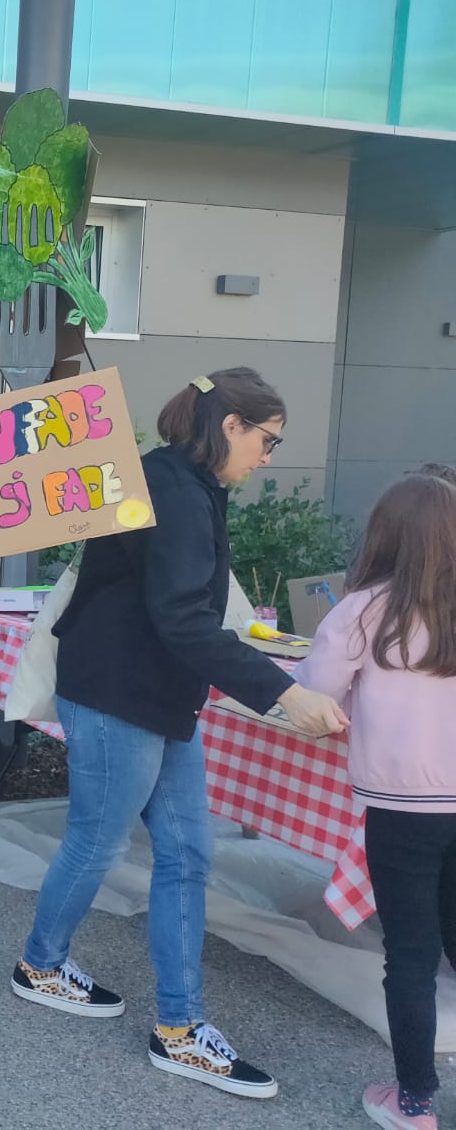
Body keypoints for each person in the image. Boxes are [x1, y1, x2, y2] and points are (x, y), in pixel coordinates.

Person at [10, 367, 348, 1098]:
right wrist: (283, 694)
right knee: (99, 840)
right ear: (230, 425)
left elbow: (178, 615)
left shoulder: (177, 482)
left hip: (158, 696)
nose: (268, 457)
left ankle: (178, 1028)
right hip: (115, 693)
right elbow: (184, 620)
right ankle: (40, 965)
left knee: (188, 854)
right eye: (267, 440)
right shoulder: (172, 489)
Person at [293, 474, 456, 1130]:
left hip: (403, 804)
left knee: (412, 953)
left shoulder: (363, 607)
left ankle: (413, 1101)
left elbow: (314, 694)